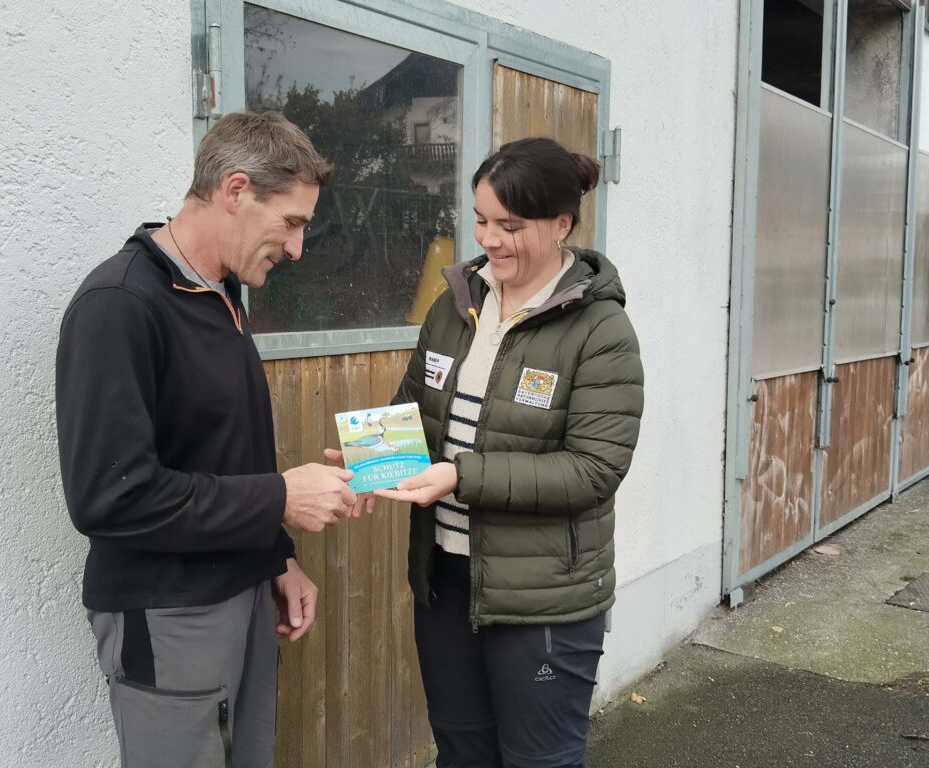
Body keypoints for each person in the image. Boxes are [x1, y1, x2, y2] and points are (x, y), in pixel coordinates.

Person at [55, 111, 363, 768]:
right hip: (168, 617)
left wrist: (275, 557)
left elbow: (222, 454)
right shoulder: (119, 305)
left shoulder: (221, 293)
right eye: (293, 222)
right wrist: (279, 499)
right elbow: (110, 497)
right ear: (235, 191)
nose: (298, 248)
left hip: (240, 592)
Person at [377, 137, 644, 767]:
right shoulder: (457, 302)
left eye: (510, 225)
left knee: (539, 761)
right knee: (462, 754)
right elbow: (417, 407)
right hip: (444, 580)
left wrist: (460, 475)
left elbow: (593, 469)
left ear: (561, 224)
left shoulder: (601, 330)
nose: (489, 239)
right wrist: (372, 455)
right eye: (481, 220)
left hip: (542, 598)